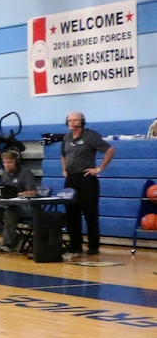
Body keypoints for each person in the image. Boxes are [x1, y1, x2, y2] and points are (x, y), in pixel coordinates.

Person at [60, 110, 114, 259]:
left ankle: (93, 246)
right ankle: (75, 245)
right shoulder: (66, 138)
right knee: (71, 214)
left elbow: (109, 149)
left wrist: (99, 169)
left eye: (76, 120)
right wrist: (64, 169)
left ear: (82, 121)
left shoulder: (90, 135)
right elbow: (63, 155)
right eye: (70, 120)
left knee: (90, 213)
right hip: (71, 179)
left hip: (86, 178)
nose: (73, 122)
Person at [0, 150, 40, 252]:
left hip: (27, 208)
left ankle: (8, 244)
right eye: (5, 163)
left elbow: (33, 192)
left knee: (10, 213)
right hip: (10, 205)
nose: (7, 165)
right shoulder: (5, 174)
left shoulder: (25, 172)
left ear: (15, 162)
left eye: (9, 162)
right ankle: (15, 237)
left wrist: (18, 194)